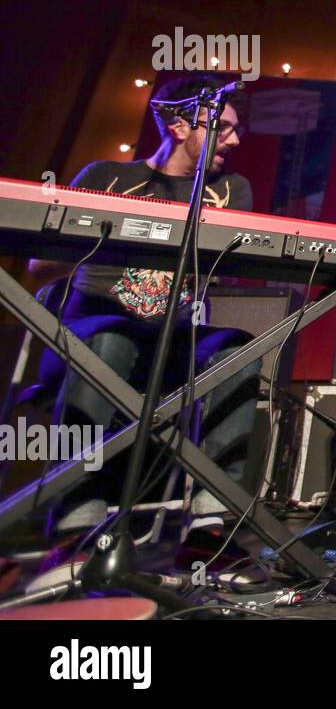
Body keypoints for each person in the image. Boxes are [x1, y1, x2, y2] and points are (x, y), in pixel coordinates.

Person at [27, 74, 262, 551]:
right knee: (112, 340)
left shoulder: (230, 189)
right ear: (179, 127)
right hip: (92, 328)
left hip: (168, 340)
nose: (235, 140)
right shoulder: (104, 176)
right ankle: (77, 520)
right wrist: (112, 234)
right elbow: (39, 265)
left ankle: (211, 524)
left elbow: (222, 262)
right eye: (224, 127)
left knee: (236, 349)